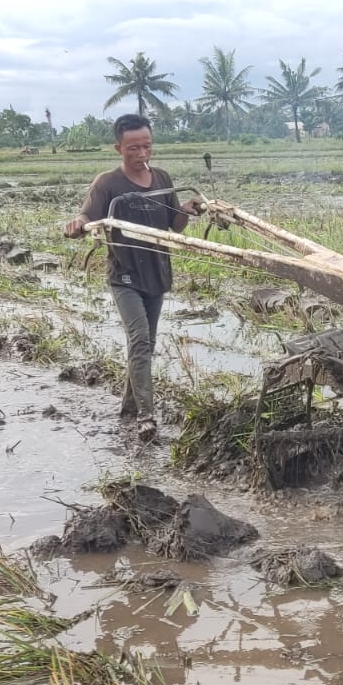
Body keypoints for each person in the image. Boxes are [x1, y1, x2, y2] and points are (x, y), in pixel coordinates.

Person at [64, 114, 202, 441]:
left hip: (157, 273)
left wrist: (188, 208)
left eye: (146, 146)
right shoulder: (108, 184)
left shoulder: (163, 179)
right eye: (133, 148)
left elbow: (175, 224)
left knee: (145, 344)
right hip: (125, 275)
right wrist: (77, 223)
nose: (141, 154)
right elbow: (89, 215)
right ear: (118, 148)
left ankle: (128, 405)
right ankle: (146, 417)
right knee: (140, 339)